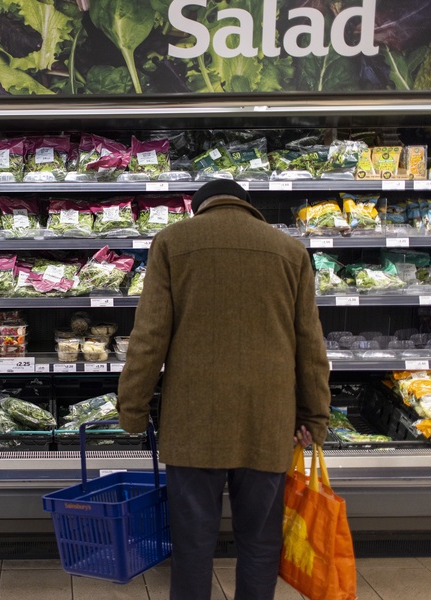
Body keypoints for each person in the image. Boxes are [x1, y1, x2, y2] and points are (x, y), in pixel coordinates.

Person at [118, 179, 330, 600]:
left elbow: (149, 337)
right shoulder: (289, 251)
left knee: (193, 543)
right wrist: (314, 417)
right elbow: (310, 343)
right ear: (248, 205)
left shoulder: (172, 242)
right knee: (260, 541)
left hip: (193, 420)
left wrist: (133, 409)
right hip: (267, 420)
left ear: (198, 208)